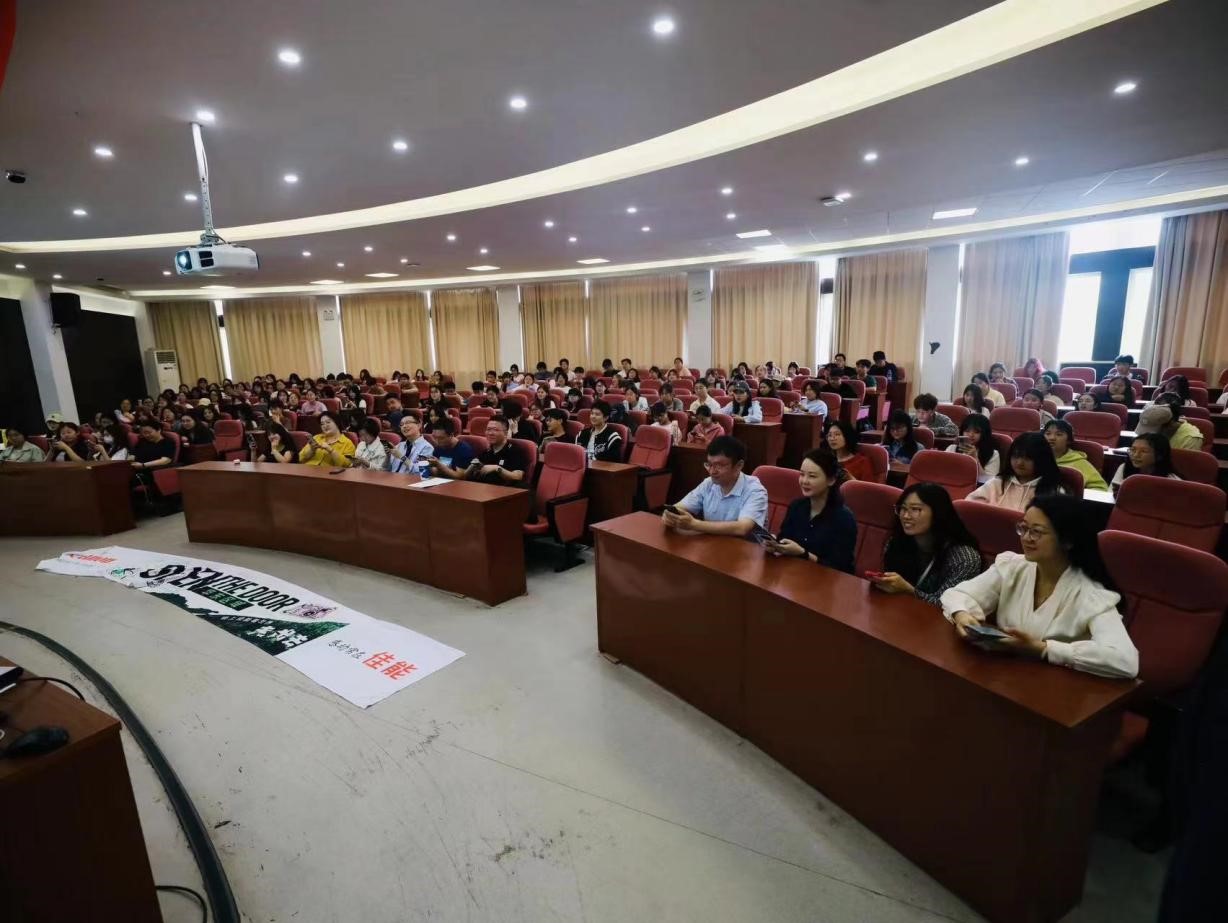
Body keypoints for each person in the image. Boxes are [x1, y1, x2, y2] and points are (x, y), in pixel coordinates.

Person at [941, 494, 1138, 678]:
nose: (1026, 537)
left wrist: (1043, 649)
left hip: (1055, 686)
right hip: (1003, 676)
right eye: (1023, 528)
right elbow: (956, 594)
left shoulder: (1089, 592)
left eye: (1036, 532)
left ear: (1067, 541)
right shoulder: (1013, 566)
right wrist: (962, 615)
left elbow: (1125, 660)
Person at [871, 482, 982, 604]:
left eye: (915, 509)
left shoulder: (964, 558)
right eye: (903, 508)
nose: (906, 516)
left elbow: (949, 606)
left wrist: (910, 591)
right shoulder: (897, 541)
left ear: (938, 513)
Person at [765, 449, 857, 572]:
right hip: (793, 573)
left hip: (826, 580)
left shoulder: (844, 519)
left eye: (812, 476)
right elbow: (785, 539)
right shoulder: (796, 506)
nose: (804, 481)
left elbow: (840, 568)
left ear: (831, 480)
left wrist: (804, 554)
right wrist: (776, 546)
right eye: (802, 474)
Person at [663, 435, 768, 538]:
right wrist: (670, 516)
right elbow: (679, 507)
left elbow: (742, 528)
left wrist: (694, 524)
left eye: (719, 465)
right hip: (713, 543)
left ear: (739, 465)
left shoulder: (755, 490)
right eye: (709, 464)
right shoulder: (709, 483)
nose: (712, 471)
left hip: (746, 546)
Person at [967, 432, 1063, 510]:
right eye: (1016, 456)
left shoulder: (1054, 492)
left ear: (1042, 459)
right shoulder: (998, 482)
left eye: (1028, 458)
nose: (1019, 463)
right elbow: (969, 506)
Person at [1043, 419, 1108, 491]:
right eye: (1048, 434)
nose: (1051, 438)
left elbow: (1101, 488)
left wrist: (1078, 494)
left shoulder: (1079, 462)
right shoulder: (1035, 458)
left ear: (1068, 440)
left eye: (1059, 434)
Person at [1110, 431, 1180, 492]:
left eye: (1144, 451)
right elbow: (1110, 493)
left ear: (1159, 455)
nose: (1136, 455)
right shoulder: (1124, 467)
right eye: (1133, 450)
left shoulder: (1172, 481)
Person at [469, 417, 528, 486]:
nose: (490, 433)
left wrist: (497, 468)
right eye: (488, 429)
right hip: (485, 488)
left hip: (506, 489)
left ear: (505, 433)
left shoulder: (515, 451)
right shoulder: (486, 451)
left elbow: (517, 476)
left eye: (495, 430)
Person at [1137, 398, 1204, 452]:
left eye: (1151, 431)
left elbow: (1183, 464)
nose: (1147, 436)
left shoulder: (1190, 439)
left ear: (1170, 425)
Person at [946, 414, 1001, 478]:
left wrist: (975, 458)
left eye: (976, 432)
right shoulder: (952, 448)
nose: (971, 435)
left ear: (984, 434)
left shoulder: (993, 454)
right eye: (967, 431)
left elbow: (989, 480)